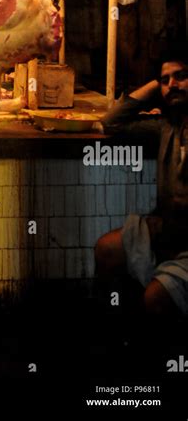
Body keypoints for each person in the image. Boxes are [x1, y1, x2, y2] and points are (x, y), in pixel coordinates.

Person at [95, 46, 188, 316]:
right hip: (165, 231)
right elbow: (111, 123)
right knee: (107, 249)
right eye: (165, 79)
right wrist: (156, 87)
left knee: (155, 297)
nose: (172, 85)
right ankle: (115, 333)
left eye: (181, 76)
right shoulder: (165, 128)